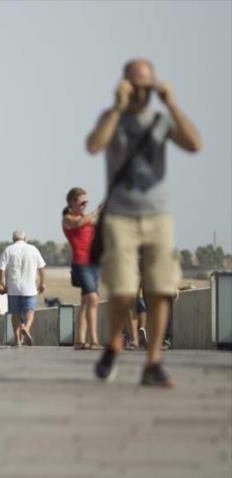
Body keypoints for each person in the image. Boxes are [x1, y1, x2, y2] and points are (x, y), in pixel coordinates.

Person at [86, 58, 201, 387]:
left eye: (145, 84)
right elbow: (94, 145)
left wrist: (172, 104)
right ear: (124, 84)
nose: (140, 91)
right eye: (134, 84)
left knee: (161, 290)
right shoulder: (112, 119)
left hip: (157, 216)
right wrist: (117, 106)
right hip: (120, 216)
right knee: (123, 292)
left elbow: (194, 144)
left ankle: (153, 363)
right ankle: (113, 343)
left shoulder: (161, 120)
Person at [62, 187, 103, 350]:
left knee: (86, 302)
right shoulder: (67, 219)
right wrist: (96, 211)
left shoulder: (86, 219)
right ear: (71, 202)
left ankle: (80, 340)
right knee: (93, 298)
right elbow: (78, 223)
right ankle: (94, 340)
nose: (85, 205)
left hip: (93, 264)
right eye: (82, 202)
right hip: (80, 263)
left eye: (87, 203)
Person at [0, 230, 46, 347]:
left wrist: (2, 284)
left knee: (15, 314)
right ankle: (26, 328)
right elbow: (41, 268)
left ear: (13, 239)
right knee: (30, 311)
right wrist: (42, 283)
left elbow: (1, 269)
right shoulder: (33, 249)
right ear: (25, 238)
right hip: (29, 288)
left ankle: (17, 340)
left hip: (13, 288)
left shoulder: (8, 250)